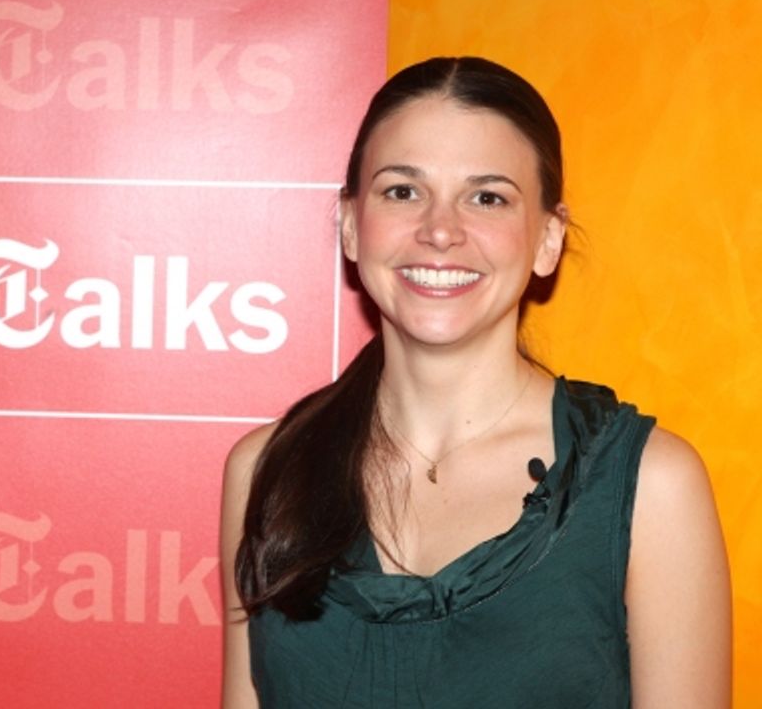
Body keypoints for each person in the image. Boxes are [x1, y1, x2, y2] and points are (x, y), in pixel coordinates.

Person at [219, 57, 731, 708]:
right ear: (350, 224)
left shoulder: (650, 486)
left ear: (548, 239)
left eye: (487, 197)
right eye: (402, 191)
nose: (440, 230)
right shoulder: (266, 470)